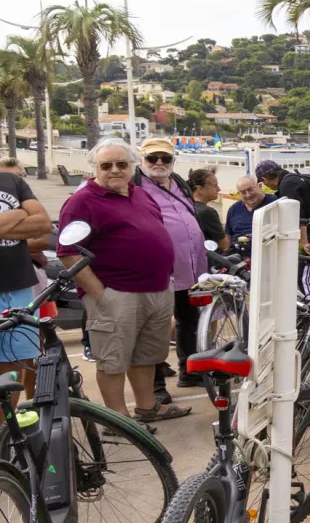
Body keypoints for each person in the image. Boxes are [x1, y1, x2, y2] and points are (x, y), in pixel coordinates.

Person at [57, 140, 190, 421]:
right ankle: (117, 419)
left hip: (156, 289)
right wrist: (100, 295)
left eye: (121, 164)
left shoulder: (140, 194)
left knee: (146, 356)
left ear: (131, 167)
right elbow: (67, 253)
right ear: (95, 169)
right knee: (113, 359)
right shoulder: (82, 201)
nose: (114, 170)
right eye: (106, 165)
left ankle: (146, 407)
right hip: (116, 294)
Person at [136, 138, 209, 398]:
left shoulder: (177, 180)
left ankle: (189, 372)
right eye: (152, 158)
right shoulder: (134, 184)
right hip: (158, 269)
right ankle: (155, 388)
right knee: (154, 328)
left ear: (173, 161)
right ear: (141, 159)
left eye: (165, 158)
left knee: (189, 320)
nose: (159, 163)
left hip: (189, 266)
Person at [0, 164, 51, 376]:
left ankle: (9, 412)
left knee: (16, 367)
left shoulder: (12, 181)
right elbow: (32, 220)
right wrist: (20, 213)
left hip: (20, 288)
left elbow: (43, 223)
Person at [256, 159, 310, 297]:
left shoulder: (287, 185)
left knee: (306, 278)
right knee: (308, 275)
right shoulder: (294, 178)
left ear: (264, 179)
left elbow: (298, 214)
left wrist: (303, 242)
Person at [189, 168, 230, 251]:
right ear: (200, 189)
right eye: (215, 185)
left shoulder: (185, 207)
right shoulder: (207, 212)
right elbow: (224, 245)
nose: (219, 189)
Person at [225, 175, 275, 243]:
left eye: (250, 189)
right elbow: (228, 236)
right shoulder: (233, 209)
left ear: (259, 186)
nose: (248, 195)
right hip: (236, 251)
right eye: (243, 192)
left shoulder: (275, 203)